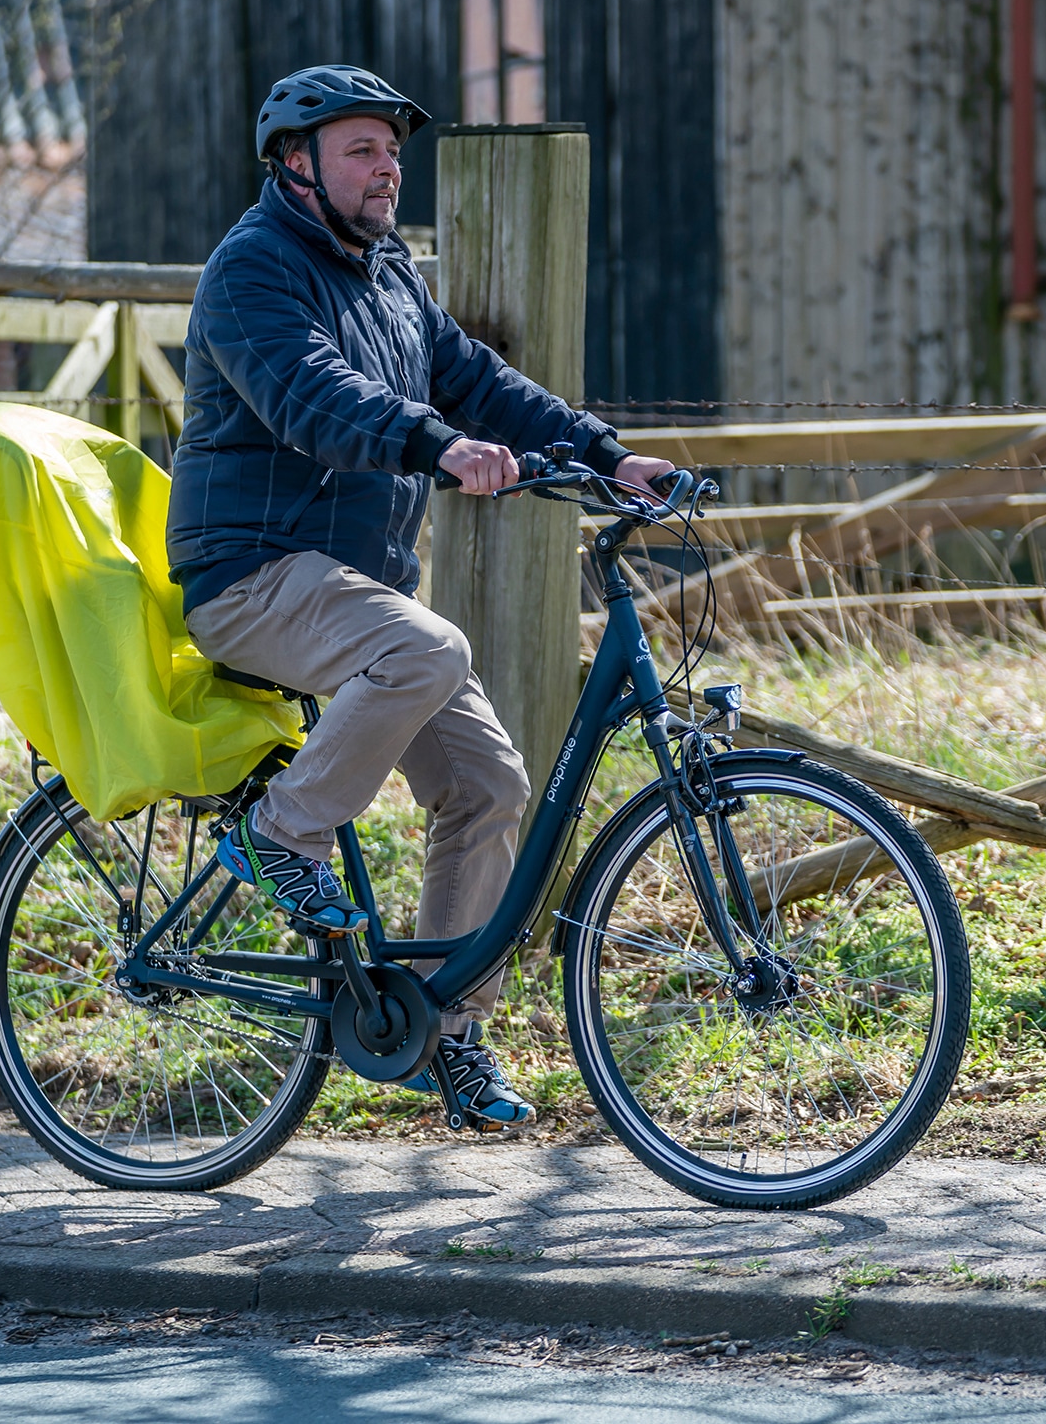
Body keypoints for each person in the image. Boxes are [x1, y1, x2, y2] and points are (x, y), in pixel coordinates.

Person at [165, 64, 676, 1131]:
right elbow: (313, 397)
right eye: (363, 148)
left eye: (393, 149)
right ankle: (279, 836)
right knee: (425, 647)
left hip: (351, 586)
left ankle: (449, 1032)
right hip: (251, 573)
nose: (389, 166)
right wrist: (434, 444)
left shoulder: (390, 275)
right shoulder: (252, 272)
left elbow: (478, 379)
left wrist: (604, 455)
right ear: (294, 164)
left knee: (490, 784)